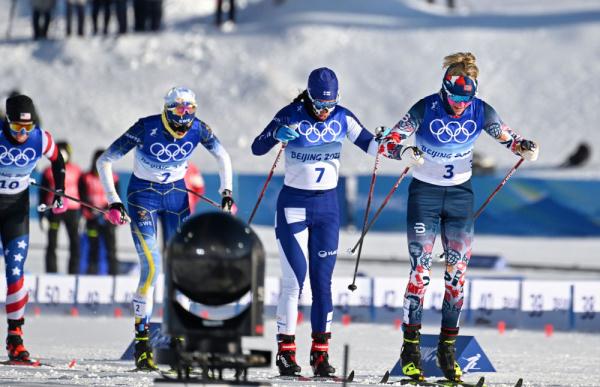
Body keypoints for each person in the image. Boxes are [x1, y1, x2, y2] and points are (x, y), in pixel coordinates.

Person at [378, 52, 539, 382]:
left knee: (456, 275)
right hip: (425, 195)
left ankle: (447, 351)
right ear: (444, 90)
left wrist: (525, 147)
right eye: (454, 98)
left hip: (460, 197)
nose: (460, 106)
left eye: (466, 99)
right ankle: (410, 350)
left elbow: (510, 139)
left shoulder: (481, 110)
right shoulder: (425, 107)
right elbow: (388, 142)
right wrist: (403, 152)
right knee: (421, 271)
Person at [251, 68, 381, 377]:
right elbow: (257, 147)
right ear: (308, 97)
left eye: (330, 105)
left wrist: (398, 146)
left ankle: (320, 356)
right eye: (319, 106)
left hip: (327, 209)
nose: (324, 112)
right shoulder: (291, 114)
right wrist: (276, 135)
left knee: (323, 284)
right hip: (293, 208)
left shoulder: (342, 118)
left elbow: (373, 145)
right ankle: (286, 353)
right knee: (294, 281)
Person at [96, 86, 234, 371]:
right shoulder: (146, 127)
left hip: (176, 197)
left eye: (190, 111)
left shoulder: (198, 128)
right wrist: (114, 201)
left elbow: (223, 157)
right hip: (142, 196)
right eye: (178, 112)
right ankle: (143, 344)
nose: (184, 119)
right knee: (152, 267)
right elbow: (105, 160)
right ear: (167, 110)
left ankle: (179, 341)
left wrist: (227, 192)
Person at [0, 94, 66, 363]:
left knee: (16, 273)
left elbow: (58, 161)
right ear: (7, 122)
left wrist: (59, 190)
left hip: (16, 212)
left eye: (27, 128)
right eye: (17, 128)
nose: (23, 134)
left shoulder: (41, 138)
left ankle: (15, 338)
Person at [40, 141, 82, 274]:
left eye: (65, 151)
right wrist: (42, 216)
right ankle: (51, 272)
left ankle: (73, 273)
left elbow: (83, 192)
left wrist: (83, 216)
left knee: (75, 243)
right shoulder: (48, 171)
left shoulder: (77, 171)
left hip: (73, 210)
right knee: (52, 242)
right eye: (60, 151)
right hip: (54, 209)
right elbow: (42, 193)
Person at [79, 149, 120, 275]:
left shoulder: (114, 178)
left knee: (111, 249)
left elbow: (117, 199)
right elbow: (82, 197)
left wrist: (110, 211)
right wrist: (90, 210)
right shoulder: (85, 177)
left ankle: (114, 277)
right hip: (92, 219)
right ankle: (91, 276)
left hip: (108, 219)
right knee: (93, 249)